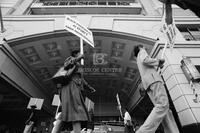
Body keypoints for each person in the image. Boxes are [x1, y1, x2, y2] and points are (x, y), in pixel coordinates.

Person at [133, 45, 179, 133]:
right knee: (162, 105)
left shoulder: (138, 60)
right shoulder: (142, 51)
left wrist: (158, 64)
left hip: (149, 83)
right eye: (143, 47)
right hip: (154, 80)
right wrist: (158, 61)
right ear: (140, 48)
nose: (145, 48)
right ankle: (143, 131)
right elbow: (146, 60)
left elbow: (146, 64)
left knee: (164, 110)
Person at [52, 50, 94, 133]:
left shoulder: (79, 66)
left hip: (75, 88)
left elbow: (81, 79)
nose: (82, 54)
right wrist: (78, 58)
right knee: (76, 110)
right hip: (69, 87)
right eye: (79, 53)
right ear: (75, 54)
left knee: (67, 111)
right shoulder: (71, 59)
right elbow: (66, 65)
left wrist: (89, 87)